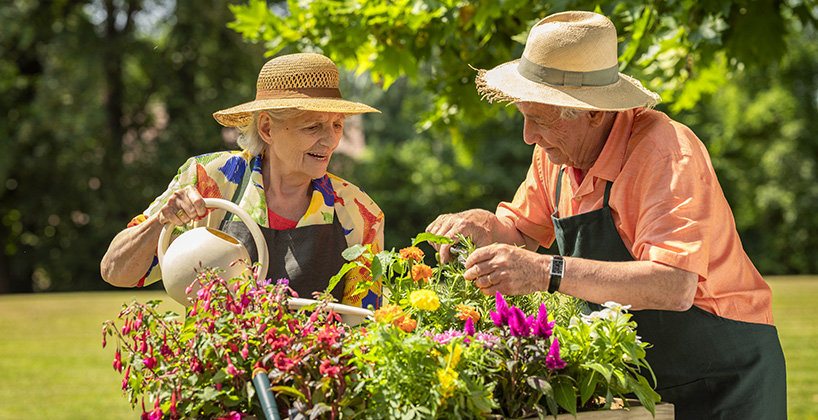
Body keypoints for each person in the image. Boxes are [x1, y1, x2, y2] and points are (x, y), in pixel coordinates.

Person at [426, 11, 786, 420]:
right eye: (523, 116)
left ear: (593, 113)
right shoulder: (554, 156)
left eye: (538, 120)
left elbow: (675, 285)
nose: (528, 136)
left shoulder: (664, 153)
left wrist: (548, 272)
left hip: (726, 379)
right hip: (644, 383)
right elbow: (520, 234)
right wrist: (481, 224)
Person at [101, 53, 384, 309]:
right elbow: (117, 272)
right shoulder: (210, 178)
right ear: (266, 128)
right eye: (313, 126)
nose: (331, 140)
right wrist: (161, 220)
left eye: (337, 124)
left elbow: (363, 325)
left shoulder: (359, 212)